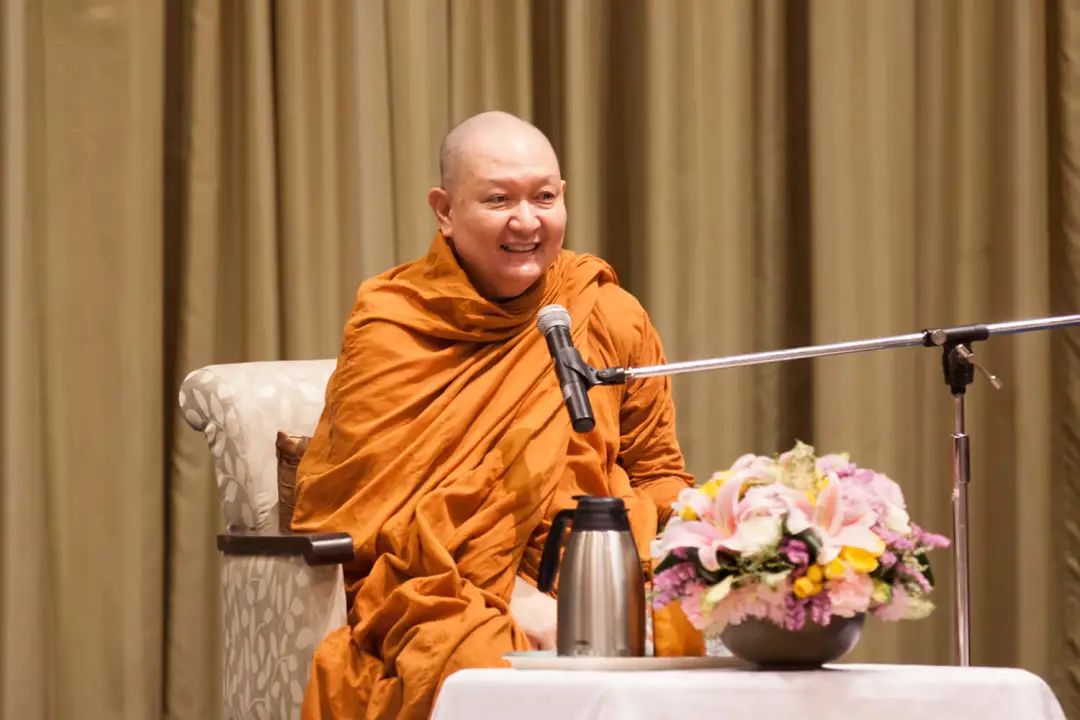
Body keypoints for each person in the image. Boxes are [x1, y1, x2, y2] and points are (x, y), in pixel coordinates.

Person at [291, 111, 697, 720]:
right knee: (477, 661)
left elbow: (658, 472)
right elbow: (366, 515)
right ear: (445, 210)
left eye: (545, 198)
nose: (526, 221)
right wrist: (513, 593)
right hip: (439, 589)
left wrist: (674, 556)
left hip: (602, 576)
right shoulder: (394, 325)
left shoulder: (605, 312)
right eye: (499, 200)